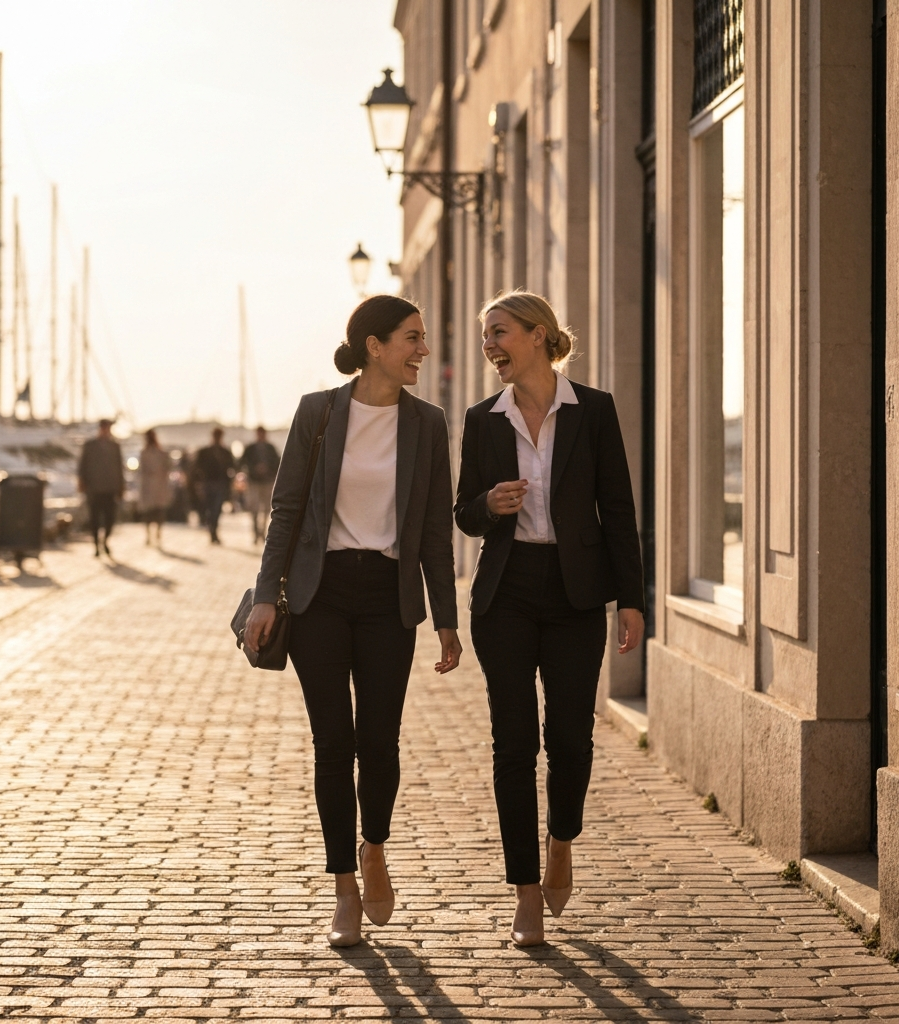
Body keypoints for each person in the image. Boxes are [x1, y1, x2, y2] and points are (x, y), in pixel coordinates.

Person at [244, 295, 461, 947]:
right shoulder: (319, 413)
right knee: (334, 744)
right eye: (411, 338)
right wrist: (262, 595)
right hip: (321, 595)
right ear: (374, 345)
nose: (422, 349)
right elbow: (285, 509)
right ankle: (343, 886)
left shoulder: (427, 423)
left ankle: (374, 848)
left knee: (380, 741)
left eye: (422, 338)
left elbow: (431, 529)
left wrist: (446, 617)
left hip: (387, 599)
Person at [454, 290, 644, 947]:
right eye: (485, 337)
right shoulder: (483, 420)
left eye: (499, 332)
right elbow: (463, 513)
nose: (490, 347)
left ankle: (562, 839)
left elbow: (616, 507)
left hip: (575, 595)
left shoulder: (592, 411)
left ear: (538, 335)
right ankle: (525, 891)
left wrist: (633, 599)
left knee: (569, 738)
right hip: (505, 595)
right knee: (514, 744)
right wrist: (489, 503)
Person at [78, 418, 124, 557]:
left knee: (110, 518)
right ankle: (97, 544)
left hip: (110, 489)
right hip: (93, 488)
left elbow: (119, 468)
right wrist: (82, 482)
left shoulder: (115, 446)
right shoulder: (90, 445)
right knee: (94, 518)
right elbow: (82, 465)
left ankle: (105, 541)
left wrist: (121, 487)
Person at [238, 425, 280, 543]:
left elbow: (277, 463)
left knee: (266, 508)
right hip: (254, 481)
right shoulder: (251, 448)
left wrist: (267, 469)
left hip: (267, 481)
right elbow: (243, 462)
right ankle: (257, 532)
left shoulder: (270, 448)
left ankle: (261, 531)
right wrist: (254, 469)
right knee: (255, 508)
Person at [195, 427, 234, 544]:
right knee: (209, 508)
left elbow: (231, 468)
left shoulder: (225, 452)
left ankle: (213, 531)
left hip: (219, 484)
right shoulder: (205, 452)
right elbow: (198, 469)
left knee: (216, 509)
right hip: (208, 483)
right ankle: (212, 530)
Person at [137, 429, 172, 546]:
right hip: (148, 486)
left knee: (158, 512)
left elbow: (167, 468)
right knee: (149, 513)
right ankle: (149, 535)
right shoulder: (144, 453)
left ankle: (157, 533)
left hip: (158, 486)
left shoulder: (161, 453)